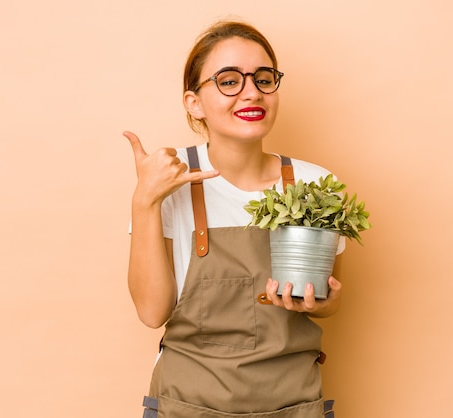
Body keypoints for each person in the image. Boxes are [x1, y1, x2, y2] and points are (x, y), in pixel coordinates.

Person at [124, 20, 343, 418]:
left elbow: (325, 301)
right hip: (187, 406)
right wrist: (145, 200)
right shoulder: (168, 180)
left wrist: (324, 303)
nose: (251, 93)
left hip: (292, 405)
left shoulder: (317, 184)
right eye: (229, 81)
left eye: (263, 79)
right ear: (194, 102)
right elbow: (152, 312)